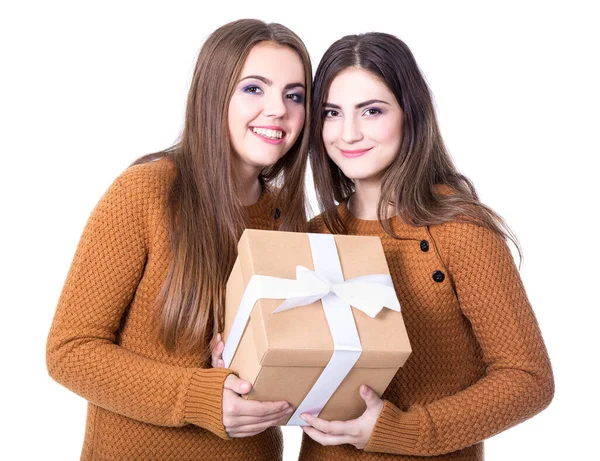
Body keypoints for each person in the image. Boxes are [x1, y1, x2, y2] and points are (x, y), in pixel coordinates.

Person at [46, 19, 311, 461]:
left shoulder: (289, 217)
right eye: (254, 88)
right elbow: (69, 352)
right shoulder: (145, 192)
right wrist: (198, 396)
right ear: (213, 94)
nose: (277, 109)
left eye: (294, 95)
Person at [299, 32, 554, 460]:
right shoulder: (312, 236)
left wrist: (406, 430)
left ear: (410, 114)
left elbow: (528, 379)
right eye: (331, 113)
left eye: (372, 111)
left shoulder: (460, 228)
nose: (348, 133)